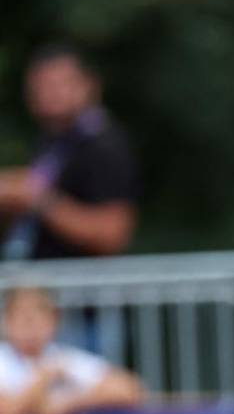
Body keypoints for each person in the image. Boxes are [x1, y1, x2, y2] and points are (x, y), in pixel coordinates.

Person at [0, 44, 138, 261]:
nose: (49, 95)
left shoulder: (104, 145)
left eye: (59, 84)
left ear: (89, 85)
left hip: (80, 280)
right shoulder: (52, 142)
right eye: (40, 86)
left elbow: (113, 235)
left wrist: (36, 198)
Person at [0, 288, 142, 414]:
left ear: (54, 320)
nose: (30, 327)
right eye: (24, 318)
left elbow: (129, 389)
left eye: (38, 317)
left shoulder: (64, 359)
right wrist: (42, 381)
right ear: (7, 320)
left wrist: (69, 403)